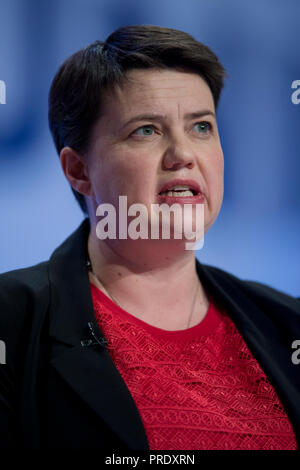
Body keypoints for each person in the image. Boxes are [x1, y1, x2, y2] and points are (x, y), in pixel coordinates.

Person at [0, 25, 299, 451]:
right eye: (146, 130)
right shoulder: (13, 324)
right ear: (78, 170)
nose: (183, 155)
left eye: (201, 127)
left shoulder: (287, 325)